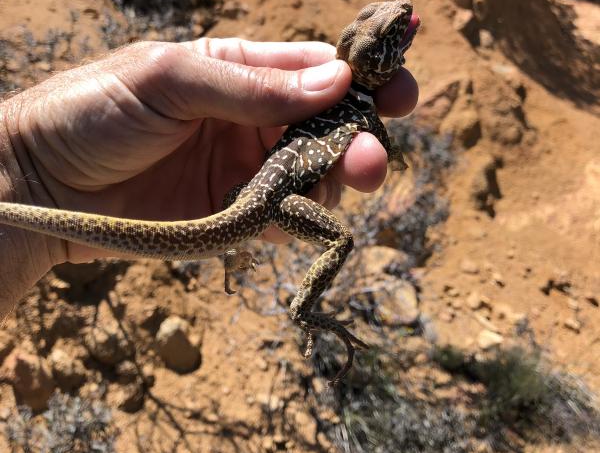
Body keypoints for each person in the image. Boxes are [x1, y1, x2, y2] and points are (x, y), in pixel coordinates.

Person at [0, 36, 418, 317]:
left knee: (246, 222)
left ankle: (233, 242)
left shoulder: (343, 98)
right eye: (391, 37)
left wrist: (27, 162)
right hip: (268, 199)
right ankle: (302, 309)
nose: (401, 23)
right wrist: (395, 156)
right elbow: (385, 147)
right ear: (379, 65)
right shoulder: (358, 108)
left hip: (251, 194)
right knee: (340, 239)